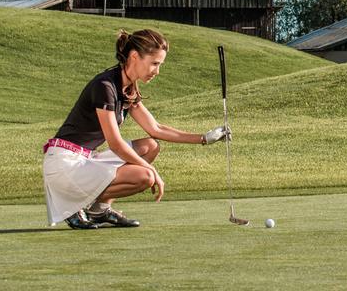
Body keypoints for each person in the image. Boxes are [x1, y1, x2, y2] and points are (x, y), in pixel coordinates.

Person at [42, 28, 229, 229]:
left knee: (150, 146)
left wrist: (204, 138)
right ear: (134, 57)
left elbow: (156, 129)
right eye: (154, 64)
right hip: (65, 166)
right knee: (146, 177)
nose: (157, 71)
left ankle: (98, 210)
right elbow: (115, 144)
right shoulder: (105, 86)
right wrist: (150, 169)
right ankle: (75, 204)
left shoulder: (127, 88)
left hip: (84, 161)